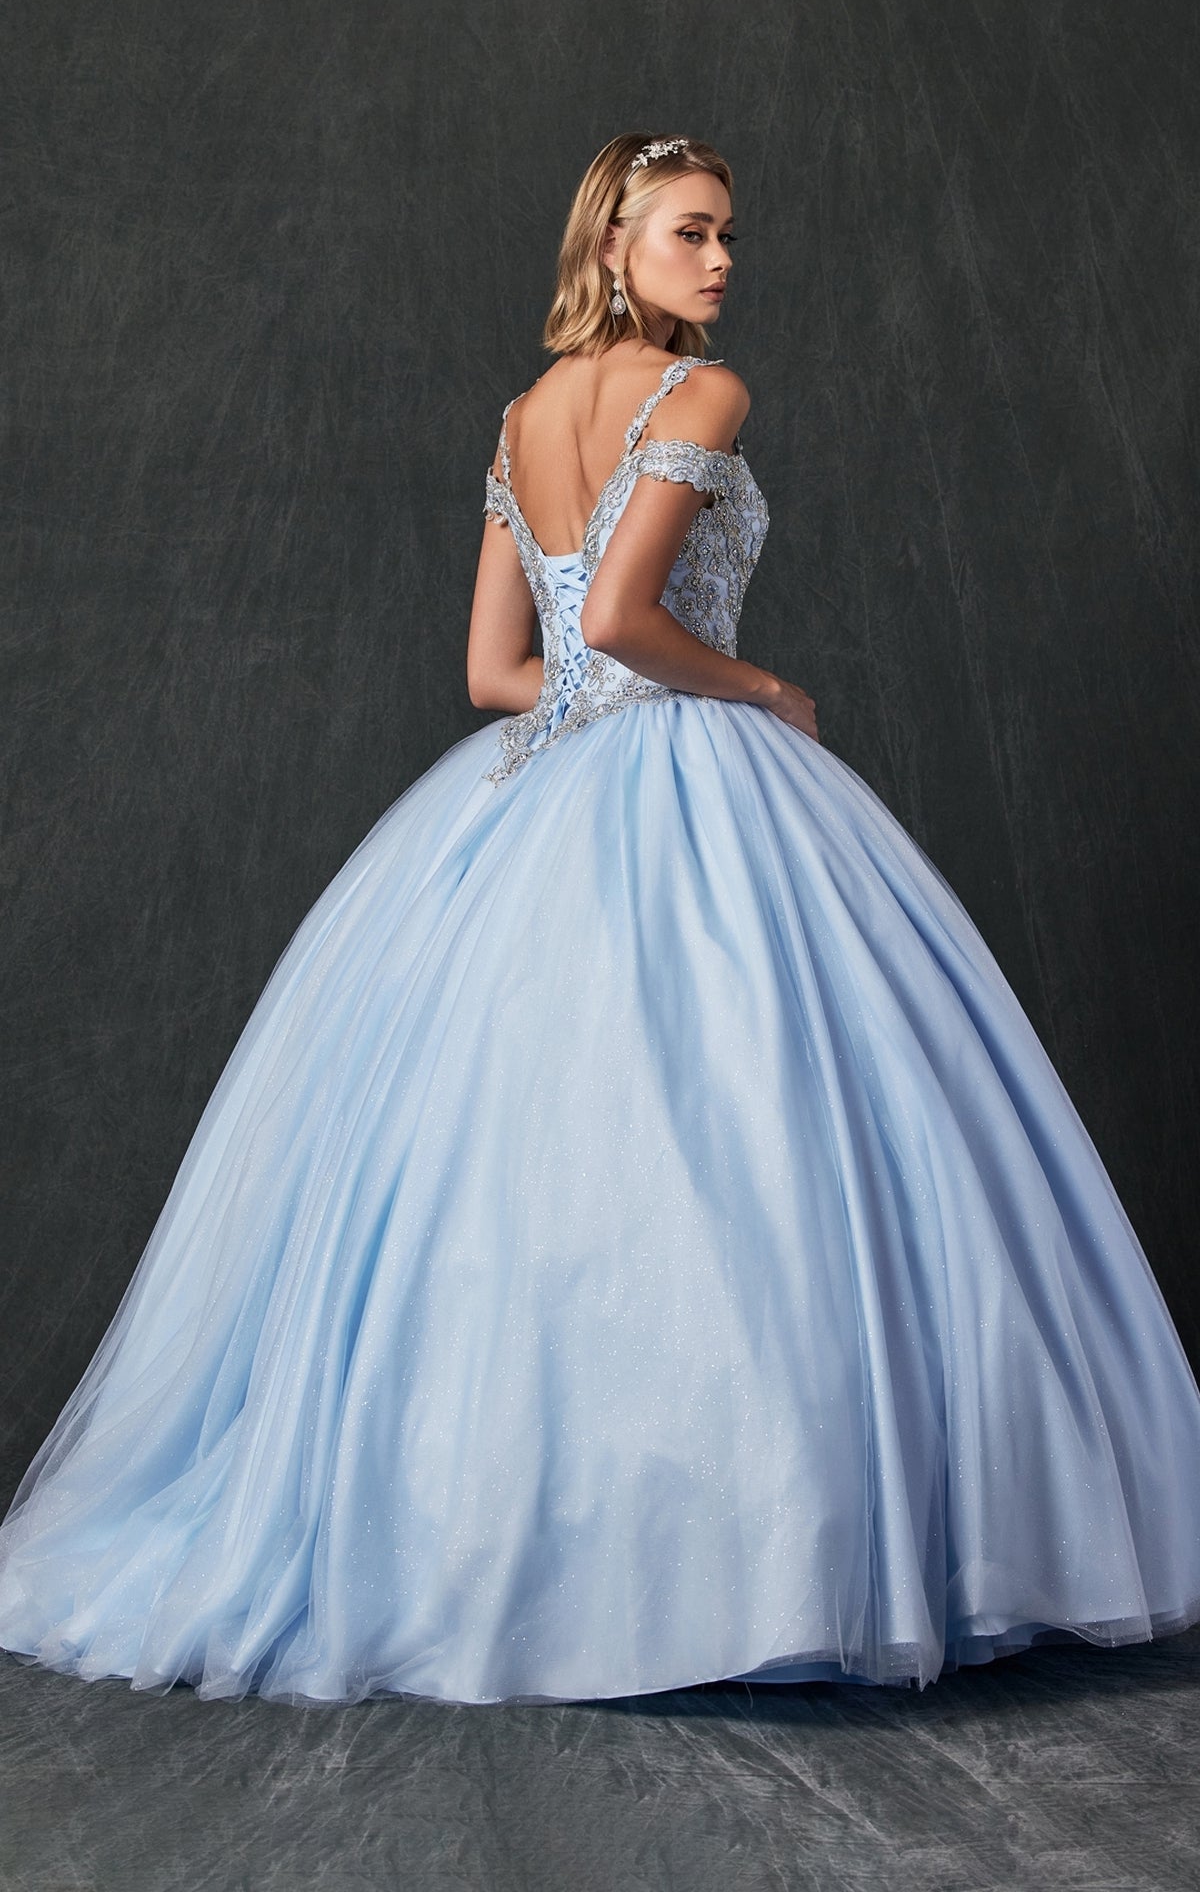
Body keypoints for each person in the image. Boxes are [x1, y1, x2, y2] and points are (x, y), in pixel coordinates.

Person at [1, 133, 1198, 1710]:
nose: (722, 261)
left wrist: (589, 703)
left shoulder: (523, 417)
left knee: (536, 1161)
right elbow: (630, 619)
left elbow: (498, 672)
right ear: (615, 243)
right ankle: (738, 1568)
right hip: (691, 772)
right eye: (692, 233)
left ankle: (528, 1552)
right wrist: (764, 690)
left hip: (537, 785)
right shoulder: (703, 394)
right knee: (745, 1130)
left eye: (728, 236)